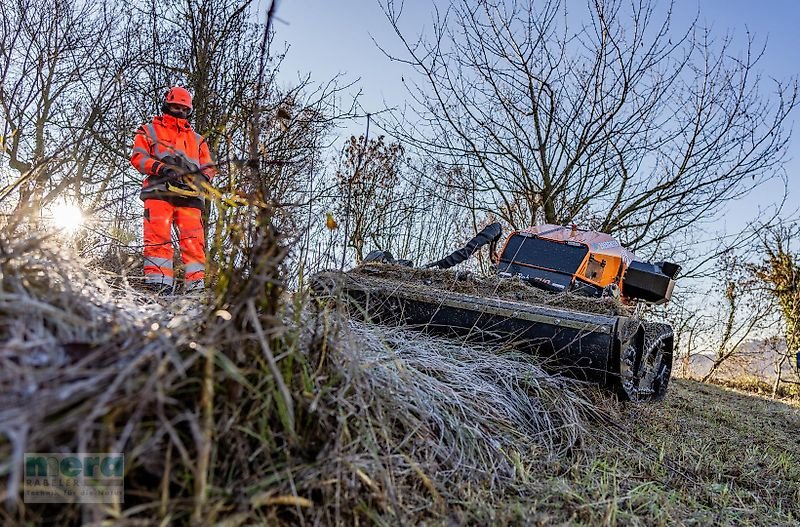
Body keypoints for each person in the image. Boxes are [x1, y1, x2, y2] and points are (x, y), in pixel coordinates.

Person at [130, 86, 215, 295]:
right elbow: (138, 157)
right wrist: (161, 168)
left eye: (184, 109)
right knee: (158, 238)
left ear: (190, 111)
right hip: (159, 190)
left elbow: (209, 167)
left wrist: (200, 178)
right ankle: (158, 286)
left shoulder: (197, 139)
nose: (180, 112)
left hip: (190, 196)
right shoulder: (148, 130)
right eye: (176, 107)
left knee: (194, 243)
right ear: (167, 105)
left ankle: (196, 290)